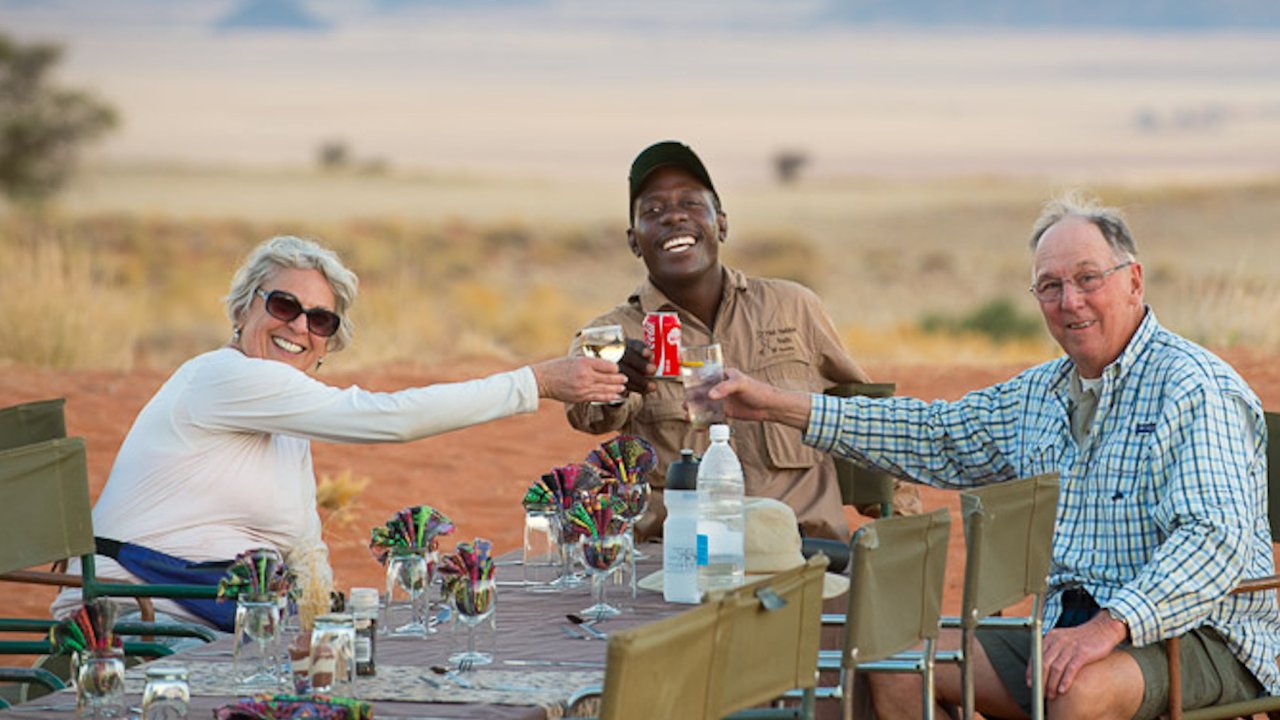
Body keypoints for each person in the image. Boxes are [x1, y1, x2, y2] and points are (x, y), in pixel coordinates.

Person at [708, 192, 1280, 719]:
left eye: (1088, 279)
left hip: (1201, 633)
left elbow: (1214, 539)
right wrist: (773, 404)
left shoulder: (1195, 388)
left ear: (1133, 281)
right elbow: (932, 434)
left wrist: (1108, 627)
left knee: (1076, 692)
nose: (1070, 301)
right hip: (1067, 630)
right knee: (892, 659)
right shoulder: (1043, 392)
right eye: (1050, 286)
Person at [53, 234, 625, 630]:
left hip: (216, 614)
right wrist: (535, 383)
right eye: (284, 305)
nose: (299, 326)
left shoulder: (281, 416)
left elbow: (303, 546)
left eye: (320, 319)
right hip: (136, 617)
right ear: (242, 309)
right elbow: (387, 417)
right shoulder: (223, 377)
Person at [565, 140, 920, 543]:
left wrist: (903, 538)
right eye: (654, 211)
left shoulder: (792, 307)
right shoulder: (612, 333)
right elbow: (585, 412)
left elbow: (867, 418)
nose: (674, 217)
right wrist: (613, 383)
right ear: (634, 240)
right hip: (680, 563)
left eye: (692, 204)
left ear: (722, 224)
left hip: (803, 556)